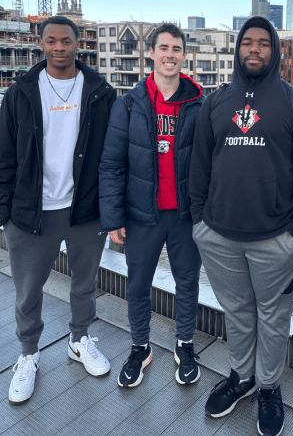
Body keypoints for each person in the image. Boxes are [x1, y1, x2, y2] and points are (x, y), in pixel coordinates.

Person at [189, 17, 293, 436]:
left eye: (263, 44)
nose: (254, 49)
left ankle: (268, 386)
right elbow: (199, 166)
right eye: (247, 42)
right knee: (238, 312)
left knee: (274, 315)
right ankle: (241, 377)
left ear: (275, 51)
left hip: (276, 240)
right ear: (237, 48)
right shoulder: (215, 103)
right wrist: (199, 223)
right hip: (219, 235)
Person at [0, 16, 116, 405]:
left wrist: (110, 207)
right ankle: (28, 355)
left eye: (66, 40)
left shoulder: (101, 91)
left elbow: (111, 155)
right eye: (51, 40)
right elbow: (4, 157)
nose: (59, 47)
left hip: (85, 208)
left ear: (77, 43)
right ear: (41, 43)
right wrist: (4, 214)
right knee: (28, 290)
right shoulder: (21, 92)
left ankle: (79, 340)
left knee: (84, 283)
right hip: (32, 211)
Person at [99, 22, 204, 389]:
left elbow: (212, 163)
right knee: (138, 284)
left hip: (185, 216)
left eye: (176, 49)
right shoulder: (128, 104)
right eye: (163, 48)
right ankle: (140, 347)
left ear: (184, 55)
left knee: (187, 282)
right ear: (151, 54)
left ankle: (185, 345)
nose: (169, 55)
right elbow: (111, 163)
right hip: (142, 215)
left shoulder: (199, 103)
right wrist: (113, 217)